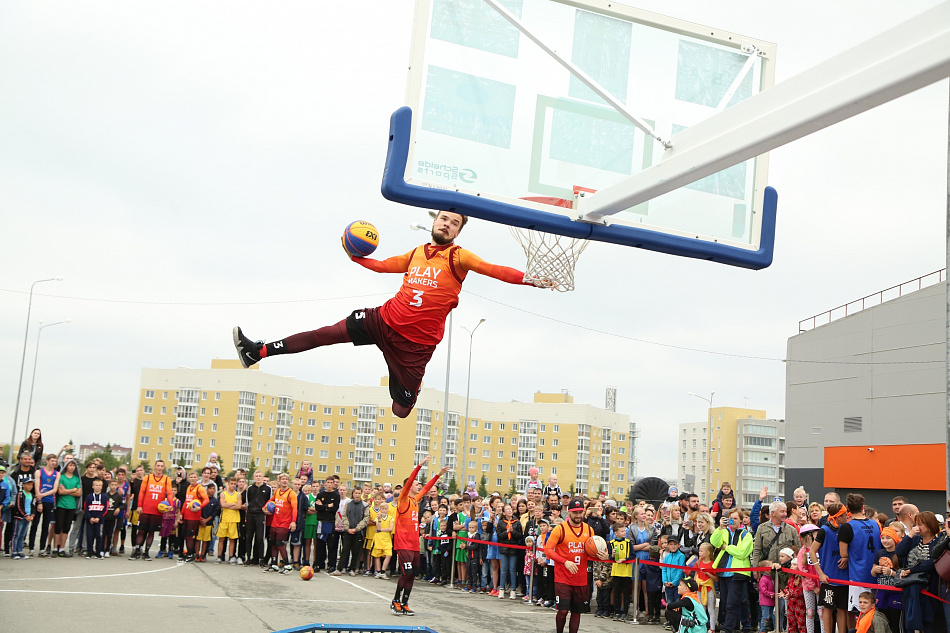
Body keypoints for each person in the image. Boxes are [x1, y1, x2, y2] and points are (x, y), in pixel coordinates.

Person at [233, 210, 545, 418]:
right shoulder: (416, 253)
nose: (447, 224)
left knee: (401, 410)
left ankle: (410, 390)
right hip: (384, 320)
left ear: (458, 231)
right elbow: (382, 266)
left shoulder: (459, 257)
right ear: (435, 221)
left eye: (454, 223)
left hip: (415, 347)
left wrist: (531, 279)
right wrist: (355, 257)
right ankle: (257, 351)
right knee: (327, 333)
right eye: (444, 219)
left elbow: (497, 270)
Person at [391, 454, 451, 616]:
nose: (419, 486)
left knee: (413, 575)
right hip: (403, 544)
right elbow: (410, 481)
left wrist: (438, 474)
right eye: (416, 484)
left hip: (414, 544)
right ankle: (396, 600)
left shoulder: (414, 500)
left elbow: (426, 488)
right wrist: (420, 465)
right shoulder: (403, 499)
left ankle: (405, 602)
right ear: (408, 487)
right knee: (406, 572)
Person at [544, 498, 596, 633]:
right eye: (575, 512)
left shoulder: (589, 530)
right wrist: (564, 561)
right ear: (569, 512)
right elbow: (548, 549)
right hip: (563, 577)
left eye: (580, 512)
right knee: (563, 610)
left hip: (581, 577)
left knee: (577, 611)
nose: (578, 515)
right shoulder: (560, 529)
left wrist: (601, 555)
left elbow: (591, 553)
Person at [711, 507, 754, 633]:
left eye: (735, 518)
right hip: (724, 572)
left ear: (741, 520)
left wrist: (727, 547)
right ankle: (733, 627)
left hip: (738, 573)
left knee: (732, 603)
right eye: (731, 519)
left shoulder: (746, 534)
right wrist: (719, 528)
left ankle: (728, 628)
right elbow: (715, 542)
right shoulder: (724, 531)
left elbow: (742, 553)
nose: (733, 521)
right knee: (725, 602)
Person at [838, 493, 881, 617]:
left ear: (848, 508)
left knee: (859, 611)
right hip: (875, 572)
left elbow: (843, 553)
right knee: (874, 612)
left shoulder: (847, 527)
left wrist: (846, 557)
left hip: (858, 574)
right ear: (863, 507)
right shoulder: (875, 524)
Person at [811, 501, 850, 633]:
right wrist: (820, 573)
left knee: (842, 608)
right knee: (828, 608)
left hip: (844, 577)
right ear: (838, 517)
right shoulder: (824, 530)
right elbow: (812, 551)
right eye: (845, 515)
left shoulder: (846, 529)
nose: (847, 517)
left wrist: (846, 557)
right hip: (829, 577)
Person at [130, 459, 174, 560]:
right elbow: (141, 492)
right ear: (154, 467)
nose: (159, 468)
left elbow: (170, 493)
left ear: (163, 468)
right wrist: (139, 505)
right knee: (141, 530)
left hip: (157, 510)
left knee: (151, 532)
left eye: (161, 466)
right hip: (146, 508)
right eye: (157, 465)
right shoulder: (148, 477)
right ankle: (137, 551)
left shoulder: (166, 479)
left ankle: (146, 552)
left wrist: (170, 505)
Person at [264, 473, 298, 574]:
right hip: (275, 522)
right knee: (273, 543)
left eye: (286, 479)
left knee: (280, 544)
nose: (284, 481)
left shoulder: (291, 493)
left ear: (288, 481)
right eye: (282, 479)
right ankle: (274, 564)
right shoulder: (277, 492)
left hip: (284, 523)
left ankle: (287, 565)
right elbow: (270, 501)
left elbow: (294, 509)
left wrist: (293, 522)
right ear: (279, 481)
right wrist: (264, 508)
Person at [871, 525, 902, 632]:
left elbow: (904, 573)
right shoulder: (880, 553)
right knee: (882, 620)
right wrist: (876, 570)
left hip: (896, 592)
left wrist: (891, 573)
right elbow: (873, 573)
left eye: (888, 538)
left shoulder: (899, 554)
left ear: (894, 538)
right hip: (881, 591)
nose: (885, 541)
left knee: (895, 621)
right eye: (883, 538)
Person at [32, 453, 60, 557]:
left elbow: (54, 489)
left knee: (45, 525)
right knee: (35, 524)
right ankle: (31, 548)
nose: (53, 463)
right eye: (52, 461)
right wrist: (39, 499)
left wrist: (42, 494)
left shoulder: (56, 474)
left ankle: (42, 548)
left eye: (55, 461)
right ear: (47, 461)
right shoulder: (39, 472)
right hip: (39, 500)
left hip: (49, 500)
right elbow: (37, 486)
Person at [52, 459, 81, 557]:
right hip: (61, 505)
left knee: (66, 528)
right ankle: (55, 548)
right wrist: (73, 490)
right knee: (58, 527)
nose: (72, 467)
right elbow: (60, 492)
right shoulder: (62, 477)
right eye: (70, 465)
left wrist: (66, 490)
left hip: (71, 506)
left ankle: (62, 548)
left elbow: (79, 493)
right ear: (66, 466)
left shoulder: (76, 479)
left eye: (74, 465)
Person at [245, 470, 271, 567]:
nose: (258, 478)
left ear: (262, 477)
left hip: (261, 514)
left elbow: (270, 501)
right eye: (257, 476)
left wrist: (266, 509)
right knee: (249, 537)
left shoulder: (267, 488)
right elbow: (248, 501)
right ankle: (248, 557)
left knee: (260, 537)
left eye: (260, 476)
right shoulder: (250, 488)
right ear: (254, 477)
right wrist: (249, 509)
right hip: (251, 514)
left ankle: (261, 558)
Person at [217, 476, 242, 564]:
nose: (233, 485)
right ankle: (219, 556)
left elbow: (239, 506)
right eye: (231, 484)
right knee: (221, 539)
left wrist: (228, 504)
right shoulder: (223, 494)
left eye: (234, 484)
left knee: (232, 539)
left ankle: (231, 556)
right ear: (228, 484)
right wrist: (233, 504)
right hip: (224, 519)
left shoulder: (238, 494)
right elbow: (223, 504)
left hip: (234, 520)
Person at [83, 478, 107, 559]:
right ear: (93, 486)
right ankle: (89, 552)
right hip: (90, 520)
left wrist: (98, 518)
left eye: (99, 485)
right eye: (96, 485)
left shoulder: (104, 496)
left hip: (100, 520)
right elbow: (86, 508)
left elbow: (105, 509)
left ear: (102, 487)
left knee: (99, 536)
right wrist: (90, 518)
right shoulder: (89, 496)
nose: (97, 487)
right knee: (90, 536)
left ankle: (98, 552)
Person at [11, 478, 35, 559]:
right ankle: (14, 551)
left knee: (22, 535)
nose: (30, 486)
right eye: (28, 484)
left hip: (27, 518)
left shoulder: (31, 495)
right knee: (16, 534)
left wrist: (32, 515)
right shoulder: (20, 494)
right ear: (23, 485)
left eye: (31, 484)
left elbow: (33, 506)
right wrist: (25, 515)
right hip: (20, 517)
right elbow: (19, 506)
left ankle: (20, 551)